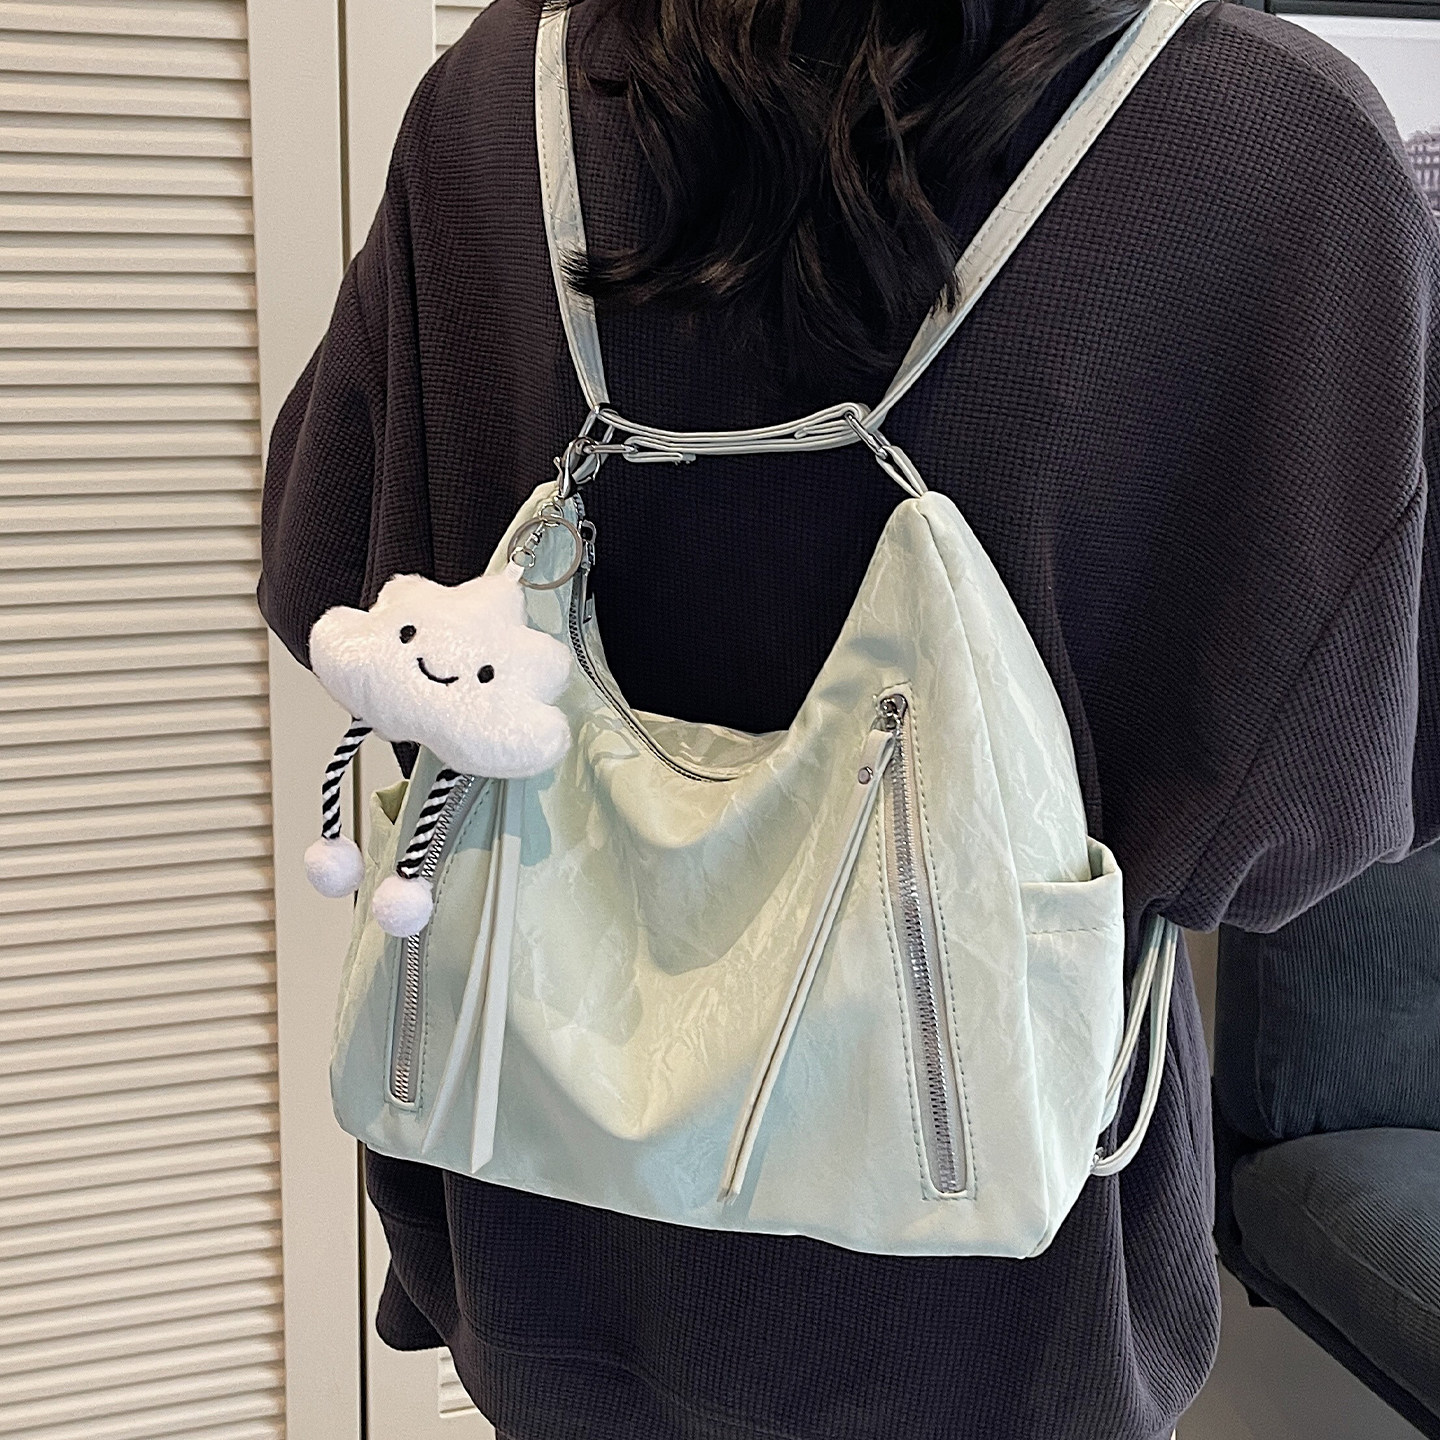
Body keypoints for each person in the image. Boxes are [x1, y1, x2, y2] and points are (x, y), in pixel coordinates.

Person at [258, 0, 1440, 1435]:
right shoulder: (1278, 149)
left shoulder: (498, 101)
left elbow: (334, 584)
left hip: (543, 1236)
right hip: (996, 1299)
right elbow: (1312, 821)